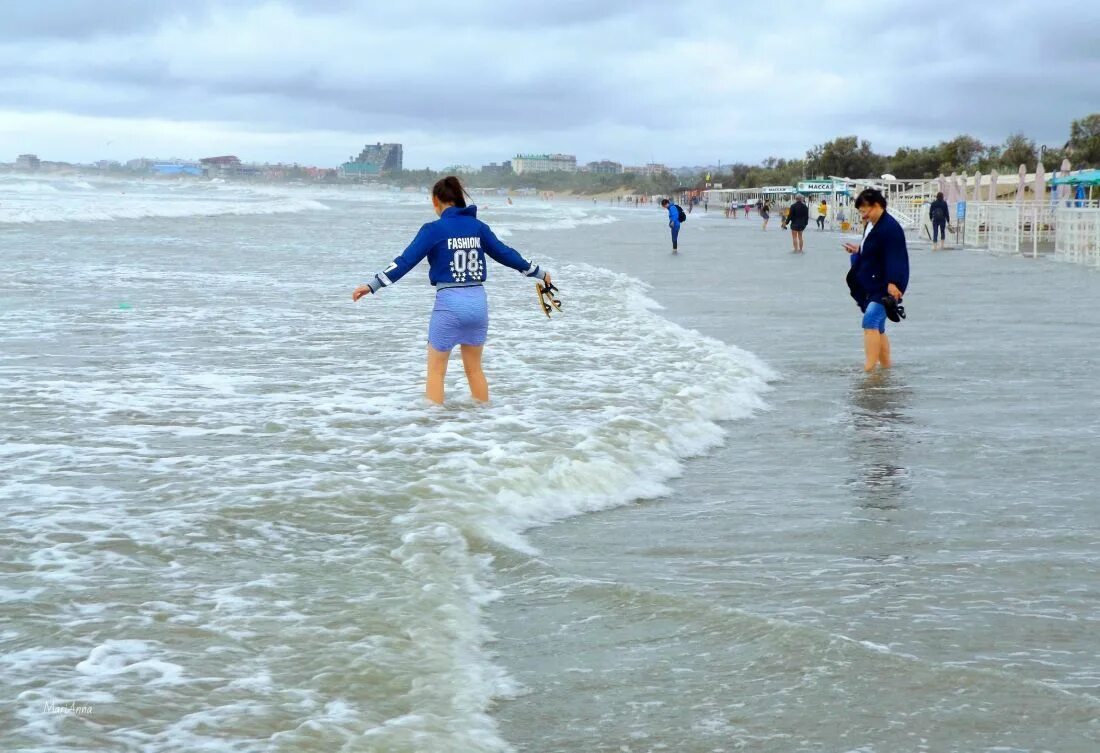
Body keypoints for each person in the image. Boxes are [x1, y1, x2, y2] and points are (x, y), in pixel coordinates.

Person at [352, 176, 552, 405]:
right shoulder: (478, 227)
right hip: (478, 304)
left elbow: (405, 261)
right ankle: (485, 421)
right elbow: (506, 254)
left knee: (436, 373)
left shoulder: (433, 230)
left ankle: (434, 430)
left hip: (449, 305)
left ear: (436, 200)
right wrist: (539, 272)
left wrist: (373, 285)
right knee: (475, 370)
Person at [843, 188, 909, 372]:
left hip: (886, 284)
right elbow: (872, 249)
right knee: (878, 327)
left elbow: (896, 257)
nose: (863, 216)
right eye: (861, 212)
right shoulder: (872, 223)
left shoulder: (890, 228)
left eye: (864, 211)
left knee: (870, 321)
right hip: (872, 282)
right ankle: (886, 369)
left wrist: (894, 282)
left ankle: (869, 372)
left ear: (877, 205)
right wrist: (858, 251)